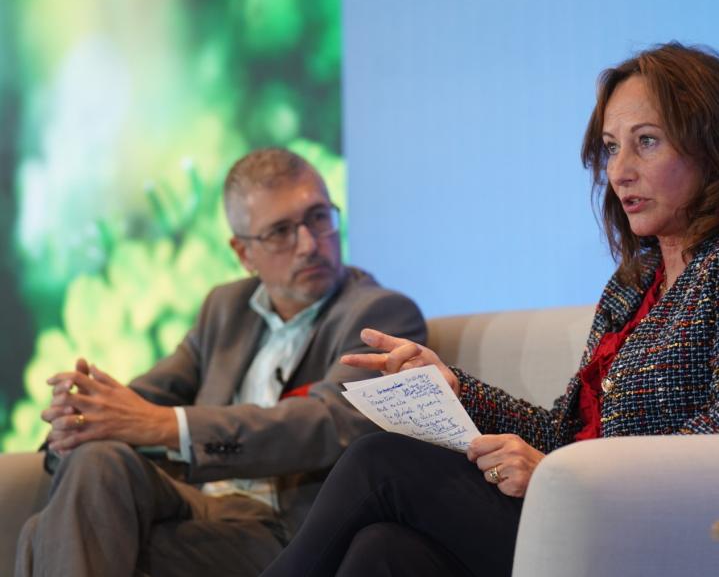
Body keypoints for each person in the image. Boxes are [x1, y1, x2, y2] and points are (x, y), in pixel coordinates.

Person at [259, 43, 719, 577]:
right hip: (590, 512)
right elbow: (566, 432)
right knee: (384, 552)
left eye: (647, 141)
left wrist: (568, 482)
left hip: (669, 536)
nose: (620, 171)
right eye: (612, 148)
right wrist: (451, 389)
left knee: (379, 462)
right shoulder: (635, 283)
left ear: (714, 145)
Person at [15, 148, 427, 577]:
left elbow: (330, 425)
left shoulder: (380, 314)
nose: (308, 244)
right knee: (96, 460)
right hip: (200, 504)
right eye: (281, 232)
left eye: (319, 218)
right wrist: (81, 420)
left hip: (288, 531)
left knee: (47, 537)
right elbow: (141, 397)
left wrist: (164, 425)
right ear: (243, 252)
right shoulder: (226, 309)